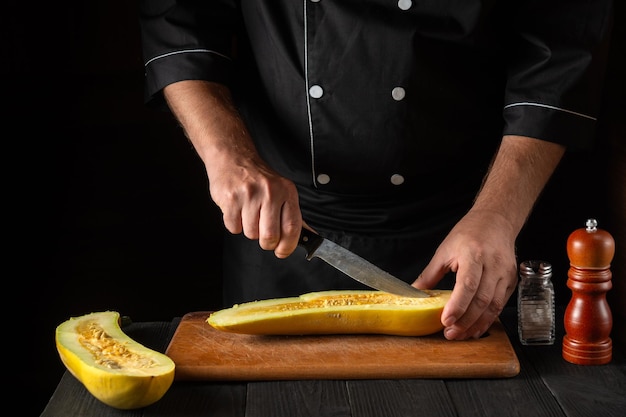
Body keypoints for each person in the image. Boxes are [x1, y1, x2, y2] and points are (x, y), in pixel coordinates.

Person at [138, 0, 613, 340]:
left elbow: (561, 44)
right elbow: (180, 18)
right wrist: (229, 157)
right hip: (284, 228)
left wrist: (498, 215)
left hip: (467, 223)